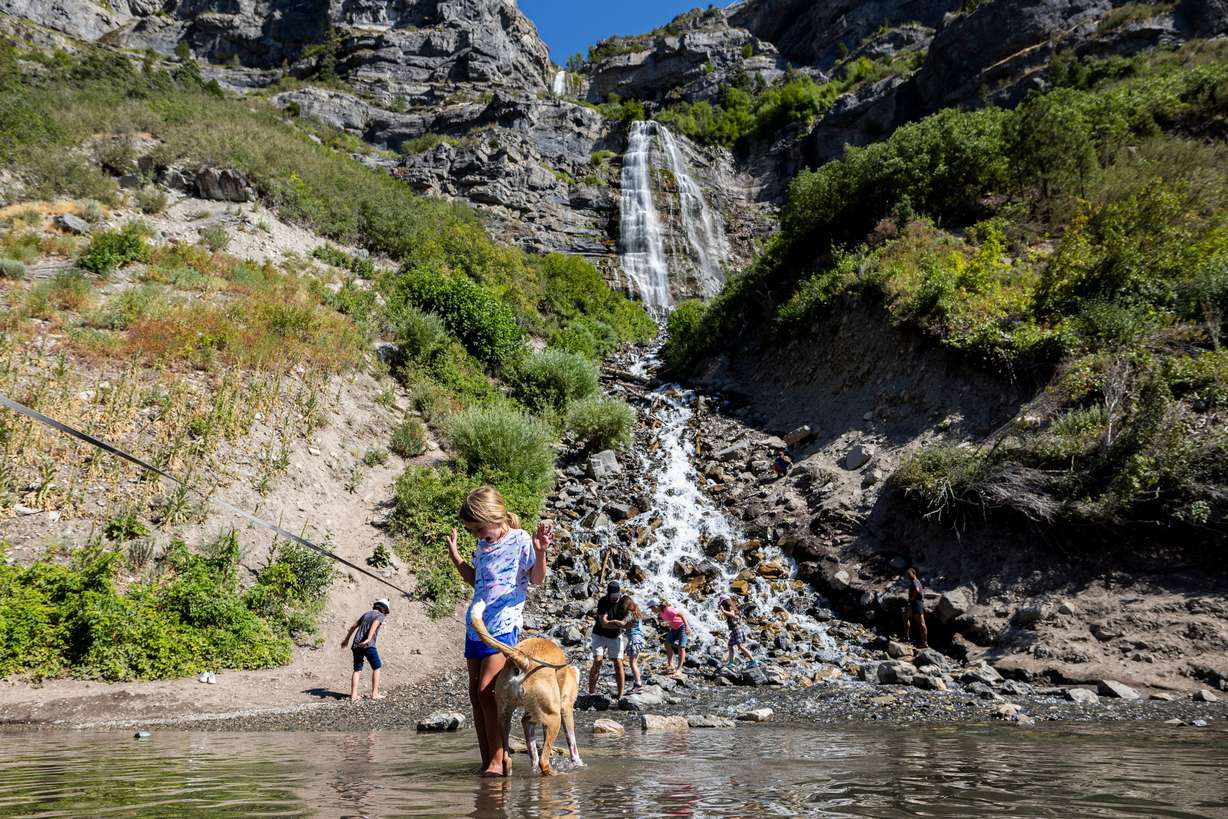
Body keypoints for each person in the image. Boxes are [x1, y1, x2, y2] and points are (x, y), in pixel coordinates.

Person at [447, 486, 553, 778]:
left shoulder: (519, 540)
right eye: (473, 532)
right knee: (475, 695)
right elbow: (477, 581)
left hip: (503, 627)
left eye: (479, 529)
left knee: (486, 691)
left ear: (495, 516)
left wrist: (541, 552)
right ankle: (489, 762)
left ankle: (498, 759)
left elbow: (536, 579)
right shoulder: (482, 547)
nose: (477, 536)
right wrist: (458, 558)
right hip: (475, 626)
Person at [342, 598, 390, 702]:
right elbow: (375, 624)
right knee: (377, 666)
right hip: (368, 645)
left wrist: (346, 639)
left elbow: (353, 626)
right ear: (384, 609)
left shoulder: (366, 614)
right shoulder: (380, 615)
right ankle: (375, 693)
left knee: (357, 669)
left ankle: (353, 696)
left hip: (356, 644)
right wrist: (368, 639)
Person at [588, 581, 628, 698]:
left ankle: (620, 694)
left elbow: (626, 621)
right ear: (609, 594)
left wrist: (618, 624)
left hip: (615, 636)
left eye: (617, 596)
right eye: (613, 597)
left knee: (618, 663)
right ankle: (591, 692)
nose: (615, 599)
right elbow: (604, 623)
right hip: (599, 634)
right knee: (598, 661)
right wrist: (619, 624)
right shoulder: (603, 601)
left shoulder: (623, 602)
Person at [651, 598, 692, 676]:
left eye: (652, 608)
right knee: (667, 643)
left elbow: (682, 614)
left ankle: (679, 669)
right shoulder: (661, 612)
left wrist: (687, 626)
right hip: (674, 629)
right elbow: (671, 619)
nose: (651, 610)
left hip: (682, 627)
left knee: (681, 647)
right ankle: (671, 666)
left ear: (656, 606)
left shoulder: (668, 610)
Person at [717, 594, 757, 669]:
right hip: (734, 630)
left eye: (722, 603)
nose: (721, 605)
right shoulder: (729, 608)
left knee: (740, 646)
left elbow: (732, 615)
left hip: (736, 629)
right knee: (730, 645)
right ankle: (731, 662)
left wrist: (723, 611)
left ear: (725, 603)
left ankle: (753, 660)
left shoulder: (729, 607)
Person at [623, 597, 647, 693]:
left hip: (634, 638)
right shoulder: (637, 612)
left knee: (632, 663)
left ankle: (638, 684)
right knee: (634, 662)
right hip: (639, 638)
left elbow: (626, 624)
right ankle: (637, 683)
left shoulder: (629, 614)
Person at [902, 566, 928, 648]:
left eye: (909, 574)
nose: (908, 576)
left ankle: (924, 643)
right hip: (914, 604)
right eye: (907, 575)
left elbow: (917, 590)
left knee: (921, 624)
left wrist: (912, 598)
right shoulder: (916, 581)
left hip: (917, 604)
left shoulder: (915, 581)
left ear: (914, 574)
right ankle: (907, 637)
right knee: (905, 617)